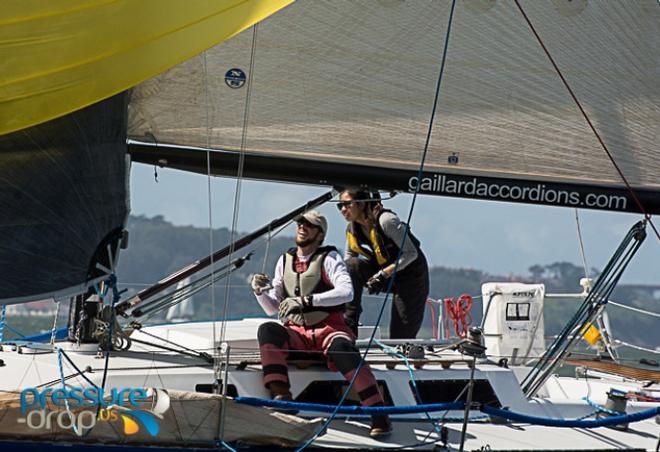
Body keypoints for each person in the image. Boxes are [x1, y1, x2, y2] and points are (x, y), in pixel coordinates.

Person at [251, 210, 391, 438]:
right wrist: (259, 292)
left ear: (320, 234)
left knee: (343, 349)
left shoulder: (330, 258)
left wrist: (307, 300)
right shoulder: (285, 260)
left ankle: (378, 412)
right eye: (300, 224)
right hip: (298, 332)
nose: (302, 228)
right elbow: (273, 307)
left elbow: (346, 292)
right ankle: (281, 395)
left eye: (309, 225)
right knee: (268, 330)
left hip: (330, 329)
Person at [338, 188, 430, 339]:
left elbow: (411, 253)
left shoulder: (387, 221)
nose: (343, 209)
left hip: (410, 276)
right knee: (351, 266)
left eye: (347, 204)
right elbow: (349, 258)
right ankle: (350, 322)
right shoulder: (352, 228)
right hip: (383, 273)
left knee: (401, 337)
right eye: (340, 205)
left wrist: (383, 274)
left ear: (362, 204)